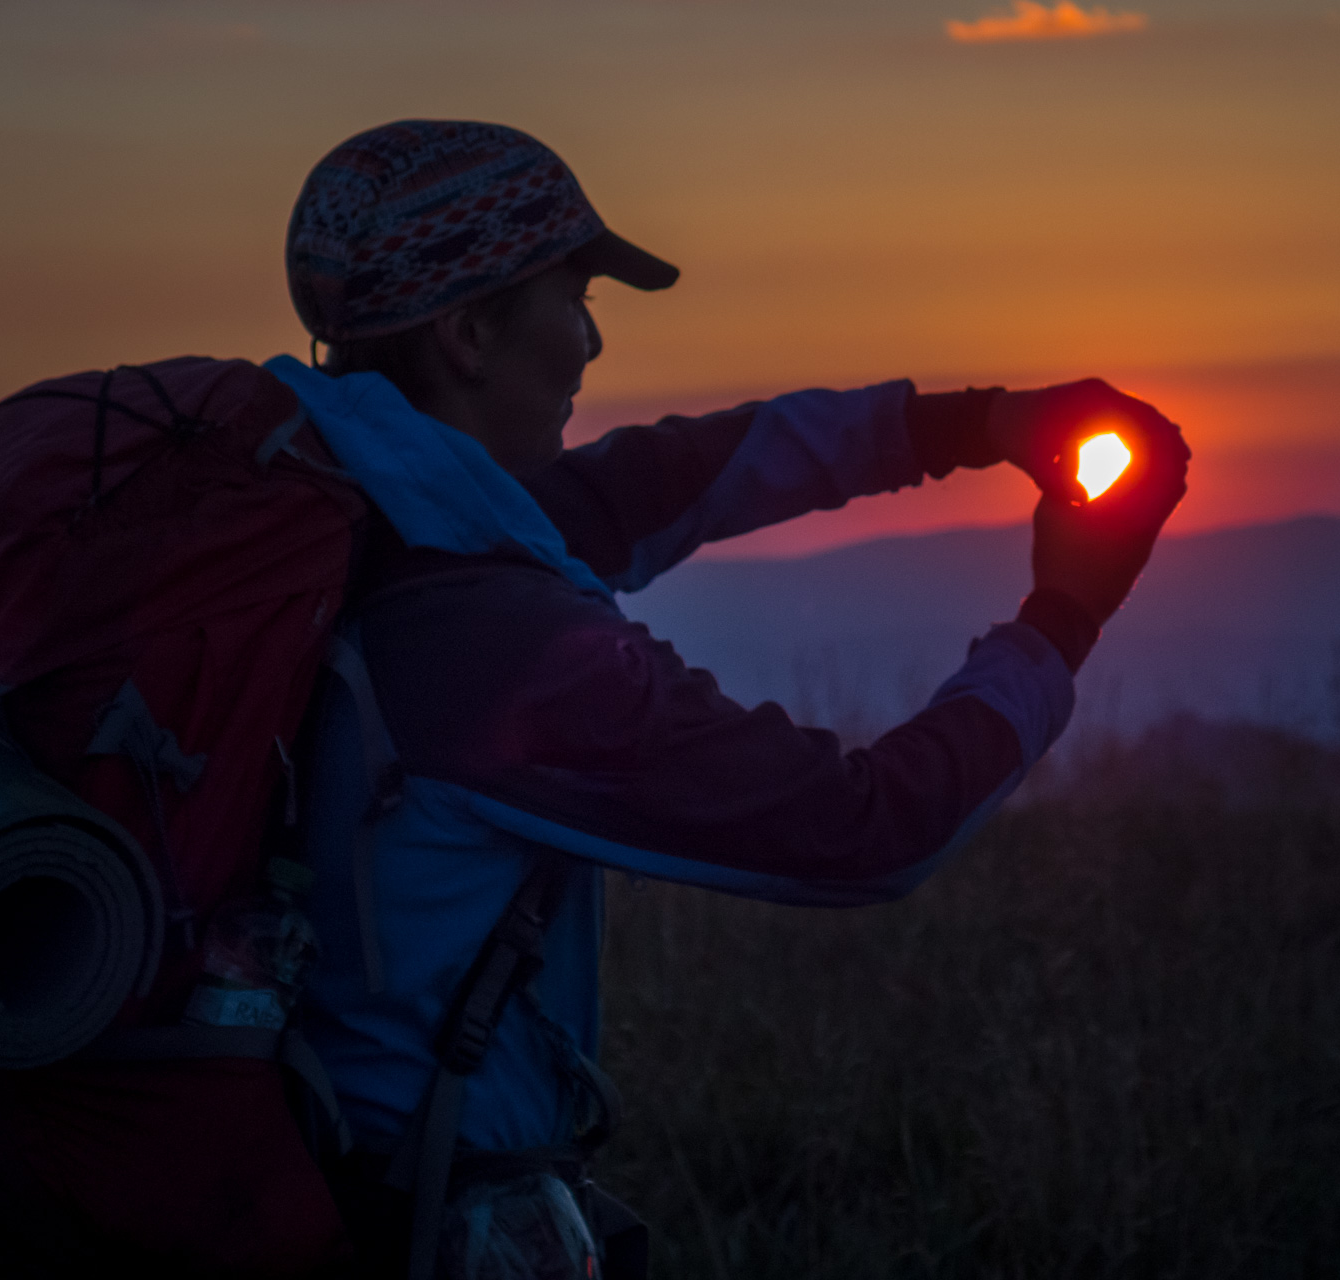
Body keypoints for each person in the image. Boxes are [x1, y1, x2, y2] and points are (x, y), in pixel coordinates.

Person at [272, 119, 1189, 1278]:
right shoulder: (488, 644)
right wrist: (1063, 617)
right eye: (573, 297)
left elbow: (666, 478)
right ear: (466, 334)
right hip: (413, 1217)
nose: (592, 341)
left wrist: (980, 422)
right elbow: (861, 832)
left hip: (297, 1170)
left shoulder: (340, 517)